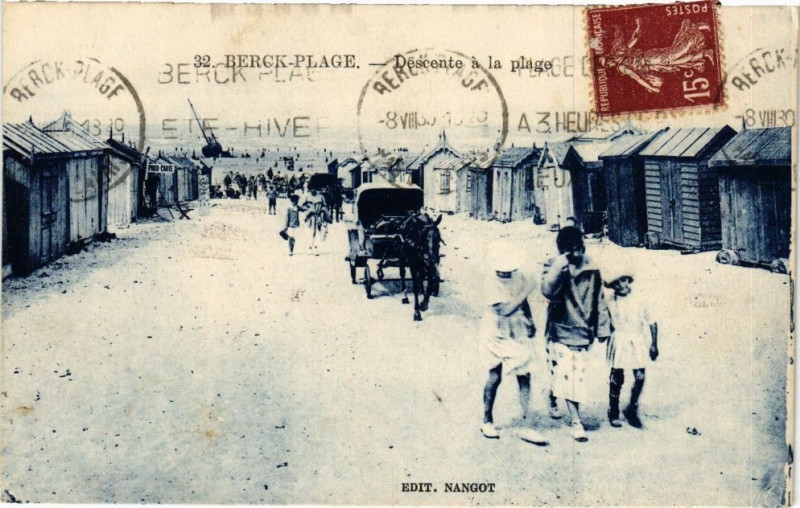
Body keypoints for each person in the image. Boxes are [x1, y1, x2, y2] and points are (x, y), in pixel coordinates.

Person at [541, 226, 610, 442]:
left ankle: (552, 394)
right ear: (563, 251)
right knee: (571, 375)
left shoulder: (592, 268)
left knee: (568, 373)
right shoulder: (554, 266)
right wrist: (559, 268)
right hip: (560, 329)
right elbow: (547, 291)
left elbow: (600, 299)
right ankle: (576, 421)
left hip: (583, 330)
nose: (578, 254)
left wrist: (603, 327)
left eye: (580, 248)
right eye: (572, 251)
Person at [479, 244, 545, 444]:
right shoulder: (490, 281)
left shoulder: (519, 277)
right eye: (502, 269)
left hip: (516, 327)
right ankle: (487, 420)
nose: (505, 273)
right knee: (495, 374)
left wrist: (530, 321)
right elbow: (504, 310)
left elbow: (522, 304)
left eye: (508, 269)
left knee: (525, 374)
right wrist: (527, 291)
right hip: (495, 330)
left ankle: (526, 423)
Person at [603, 265, 659, 429]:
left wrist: (654, 344)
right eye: (617, 282)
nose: (622, 284)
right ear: (613, 285)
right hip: (618, 339)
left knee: (640, 376)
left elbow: (652, 321)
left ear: (629, 280)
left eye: (624, 280)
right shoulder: (609, 301)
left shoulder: (640, 299)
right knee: (617, 376)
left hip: (636, 339)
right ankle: (613, 411)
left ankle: (631, 408)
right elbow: (602, 322)